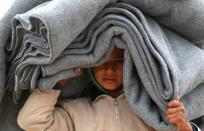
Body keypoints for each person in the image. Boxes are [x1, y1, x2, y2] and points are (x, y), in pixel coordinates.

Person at [17, 48, 200, 131]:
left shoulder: (149, 107)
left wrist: (185, 127)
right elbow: (30, 121)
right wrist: (58, 83)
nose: (109, 70)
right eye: (101, 62)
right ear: (89, 66)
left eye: (119, 62)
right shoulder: (74, 111)